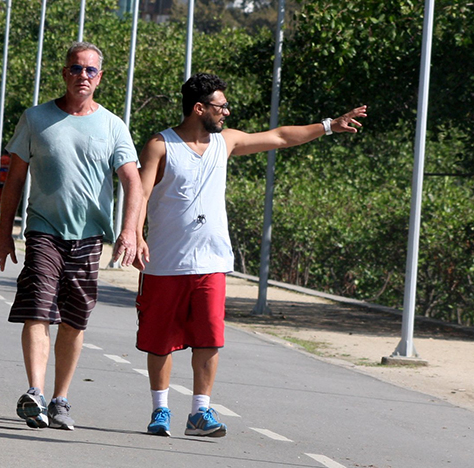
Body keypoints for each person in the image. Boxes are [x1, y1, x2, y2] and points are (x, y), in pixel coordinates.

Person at [133, 73, 367, 438]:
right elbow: (140, 194)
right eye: (221, 106)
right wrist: (132, 233)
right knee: (161, 342)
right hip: (164, 263)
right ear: (199, 108)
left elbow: (279, 136)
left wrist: (329, 126)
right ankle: (160, 410)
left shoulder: (226, 142)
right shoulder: (160, 145)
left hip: (211, 262)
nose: (226, 112)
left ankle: (200, 413)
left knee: (210, 339)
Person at [0, 42, 142, 432]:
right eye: (76, 69)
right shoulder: (36, 118)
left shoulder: (112, 125)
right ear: (64, 73)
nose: (83, 77)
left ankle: (60, 398)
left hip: (90, 236)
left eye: (90, 71)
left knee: (75, 318)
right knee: (38, 307)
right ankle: (35, 393)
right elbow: (15, 178)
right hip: (43, 230)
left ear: (100, 78)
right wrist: (3, 232)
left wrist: (129, 230)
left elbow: (133, 182)